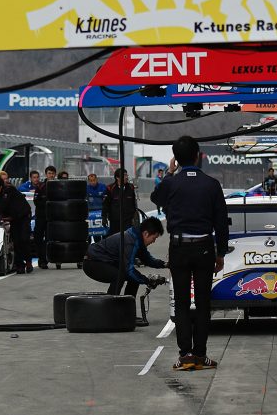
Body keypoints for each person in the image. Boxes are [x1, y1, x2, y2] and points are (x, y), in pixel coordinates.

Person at [151, 136, 228, 371]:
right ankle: (200, 354)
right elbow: (221, 222)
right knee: (203, 303)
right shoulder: (212, 184)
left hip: (179, 247)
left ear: (176, 158)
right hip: (204, 247)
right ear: (198, 156)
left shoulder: (172, 183)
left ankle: (185, 354)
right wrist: (221, 253)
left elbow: (156, 198)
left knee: (182, 302)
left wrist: (169, 173)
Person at [83, 217, 167, 297]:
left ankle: (128, 304)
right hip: (92, 262)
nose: (153, 241)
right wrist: (147, 281)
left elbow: (148, 260)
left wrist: (165, 264)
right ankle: (110, 304)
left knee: (134, 279)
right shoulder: (130, 241)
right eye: (154, 238)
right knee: (120, 276)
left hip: (103, 261)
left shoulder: (138, 239)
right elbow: (129, 270)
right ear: (146, 233)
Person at [0, 177, 33, 274]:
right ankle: (20, 265)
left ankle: (28, 262)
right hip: (14, 219)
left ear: (0, 187)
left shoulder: (9, 190)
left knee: (24, 239)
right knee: (16, 241)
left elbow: (3, 204)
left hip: (24, 216)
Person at [33, 165, 56, 269]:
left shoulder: (58, 186)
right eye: (49, 173)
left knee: (49, 239)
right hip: (41, 216)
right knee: (38, 238)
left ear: (55, 174)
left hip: (52, 218)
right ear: (46, 174)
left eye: (52, 173)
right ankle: (40, 258)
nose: (51, 175)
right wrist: (47, 204)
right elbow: (36, 201)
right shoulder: (40, 186)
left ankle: (45, 260)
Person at [103, 168, 137, 236]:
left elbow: (134, 203)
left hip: (128, 220)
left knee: (128, 238)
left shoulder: (131, 187)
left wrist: (135, 216)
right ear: (117, 178)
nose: (126, 177)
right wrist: (104, 217)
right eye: (124, 175)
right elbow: (105, 204)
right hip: (115, 220)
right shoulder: (110, 188)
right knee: (115, 238)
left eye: (127, 175)